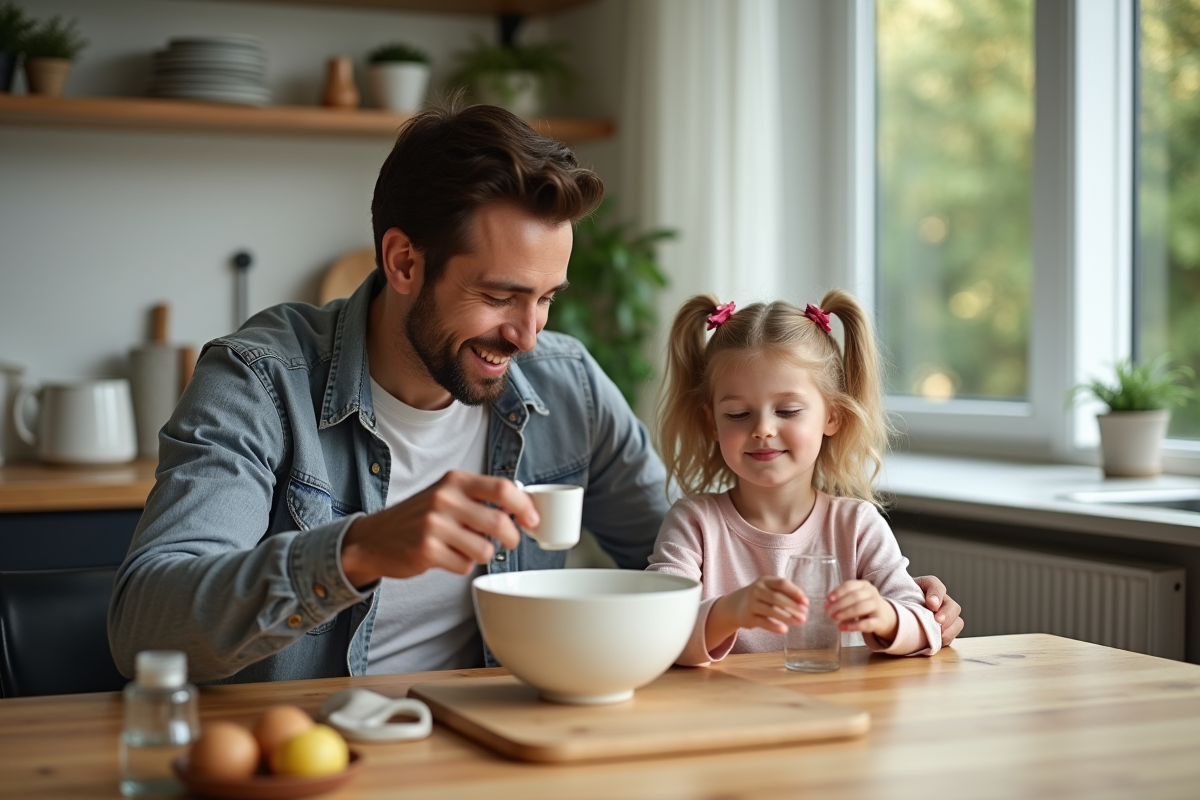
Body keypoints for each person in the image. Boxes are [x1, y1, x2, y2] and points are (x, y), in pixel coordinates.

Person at [109, 101, 962, 685]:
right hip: (313, 755)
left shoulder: (564, 382)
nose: (526, 336)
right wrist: (357, 549)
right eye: (499, 295)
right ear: (404, 262)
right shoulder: (261, 380)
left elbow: (678, 560)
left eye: (545, 297)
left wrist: (893, 609)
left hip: (507, 745)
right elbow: (144, 624)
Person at [647, 291, 951, 665]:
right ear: (711, 422)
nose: (763, 429)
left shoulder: (856, 526)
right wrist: (731, 611)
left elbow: (929, 625)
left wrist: (887, 615)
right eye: (739, 414)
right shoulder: (693, 523)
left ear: (832, 416)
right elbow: (657, 629)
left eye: (788, 411)